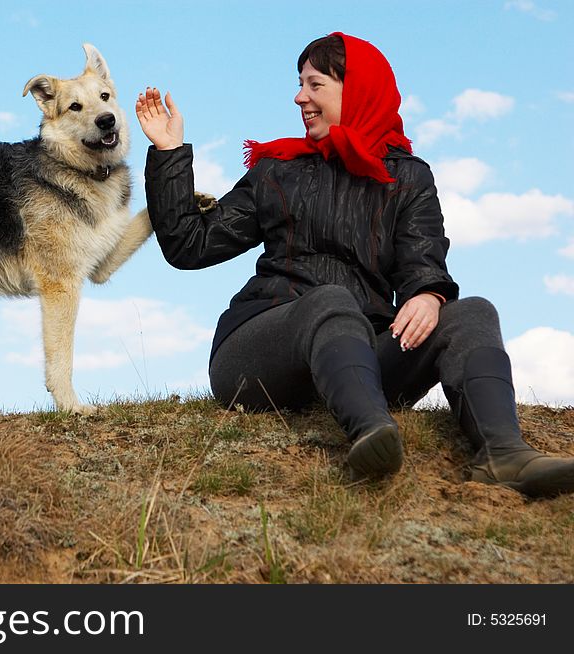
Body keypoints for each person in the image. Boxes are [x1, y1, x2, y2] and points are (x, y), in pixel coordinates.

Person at [135, 32, 574, 497]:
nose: (299, 96)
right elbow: (190, 245)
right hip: (260, 350)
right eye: (300, 84)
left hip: (358, 354)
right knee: (331, 301)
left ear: (356, 89)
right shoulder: (277, 171)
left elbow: (423, 260)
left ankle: (504, 453)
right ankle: (371, 433)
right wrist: (169, 153)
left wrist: (427, 293)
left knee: (472, 312)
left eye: (314, 84)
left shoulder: (407, 176)